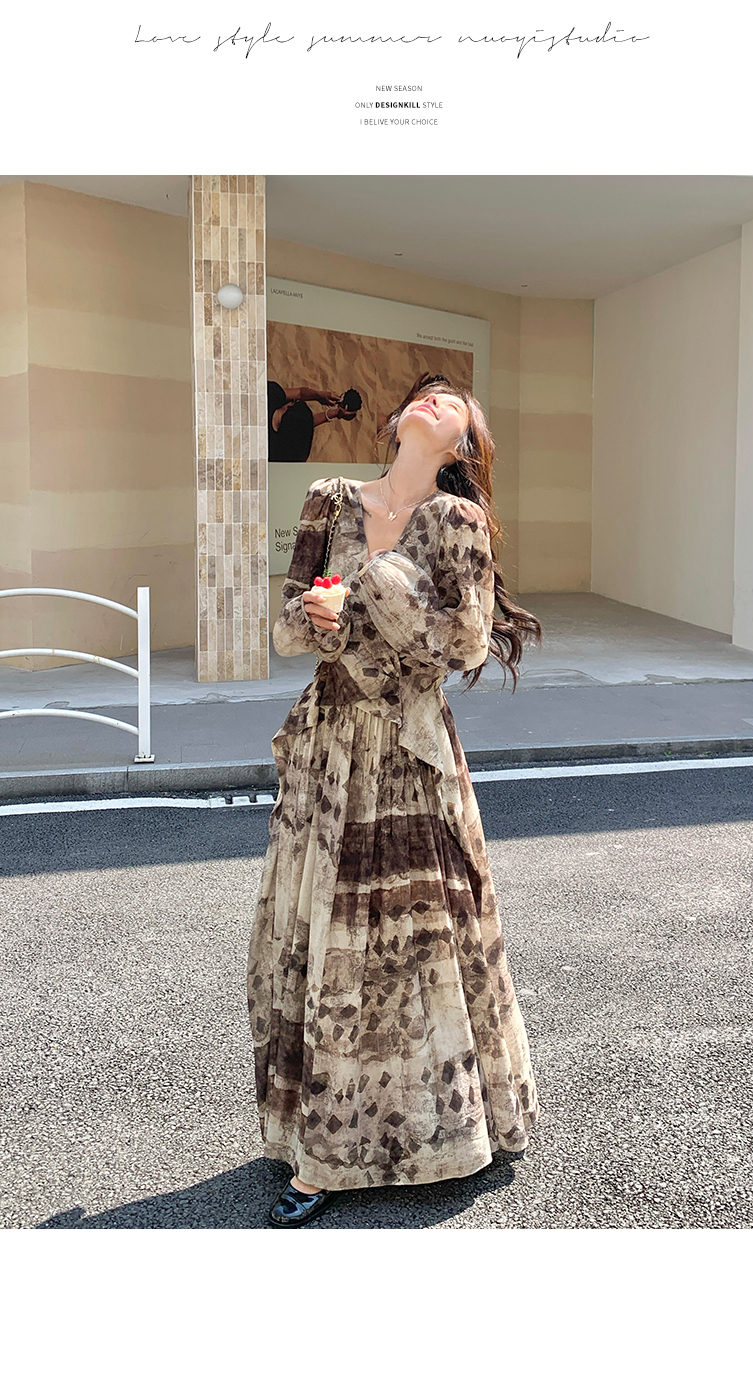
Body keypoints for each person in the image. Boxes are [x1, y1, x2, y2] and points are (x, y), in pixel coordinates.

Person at [248, 373, 543, 1227]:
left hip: (410, 753)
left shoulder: (458, 521)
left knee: (409, 946)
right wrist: (317, 621)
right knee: (319, 938)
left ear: (460, 445)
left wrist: (382, 582)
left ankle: (429, 1136)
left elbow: (466, 641)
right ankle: (320, 1146)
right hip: (329, 747)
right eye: (426, 393)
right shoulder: (328, 498)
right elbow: (286, 624)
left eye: (452, 405)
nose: (434, 400)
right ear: (395, 418)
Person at [267, 381, 359, 462]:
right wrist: (335, 412)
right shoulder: (282, 454)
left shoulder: (270, 395)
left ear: (288, 407)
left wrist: (320, 395)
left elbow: (299, 393)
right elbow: (302, 426)